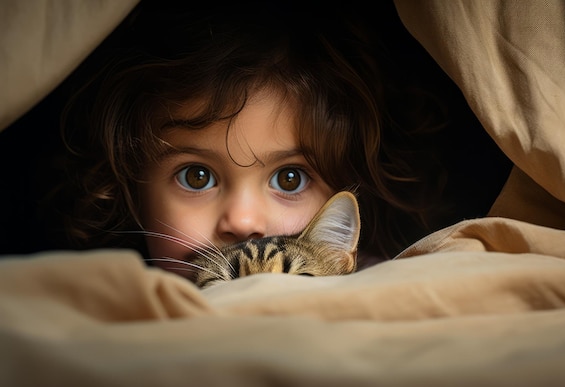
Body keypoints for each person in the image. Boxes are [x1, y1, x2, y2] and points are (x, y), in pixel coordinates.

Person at [59, 0, 448, 277]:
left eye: (290, 178)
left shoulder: (384, 288)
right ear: (133, 193)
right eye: (196, 176)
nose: (243, 222)